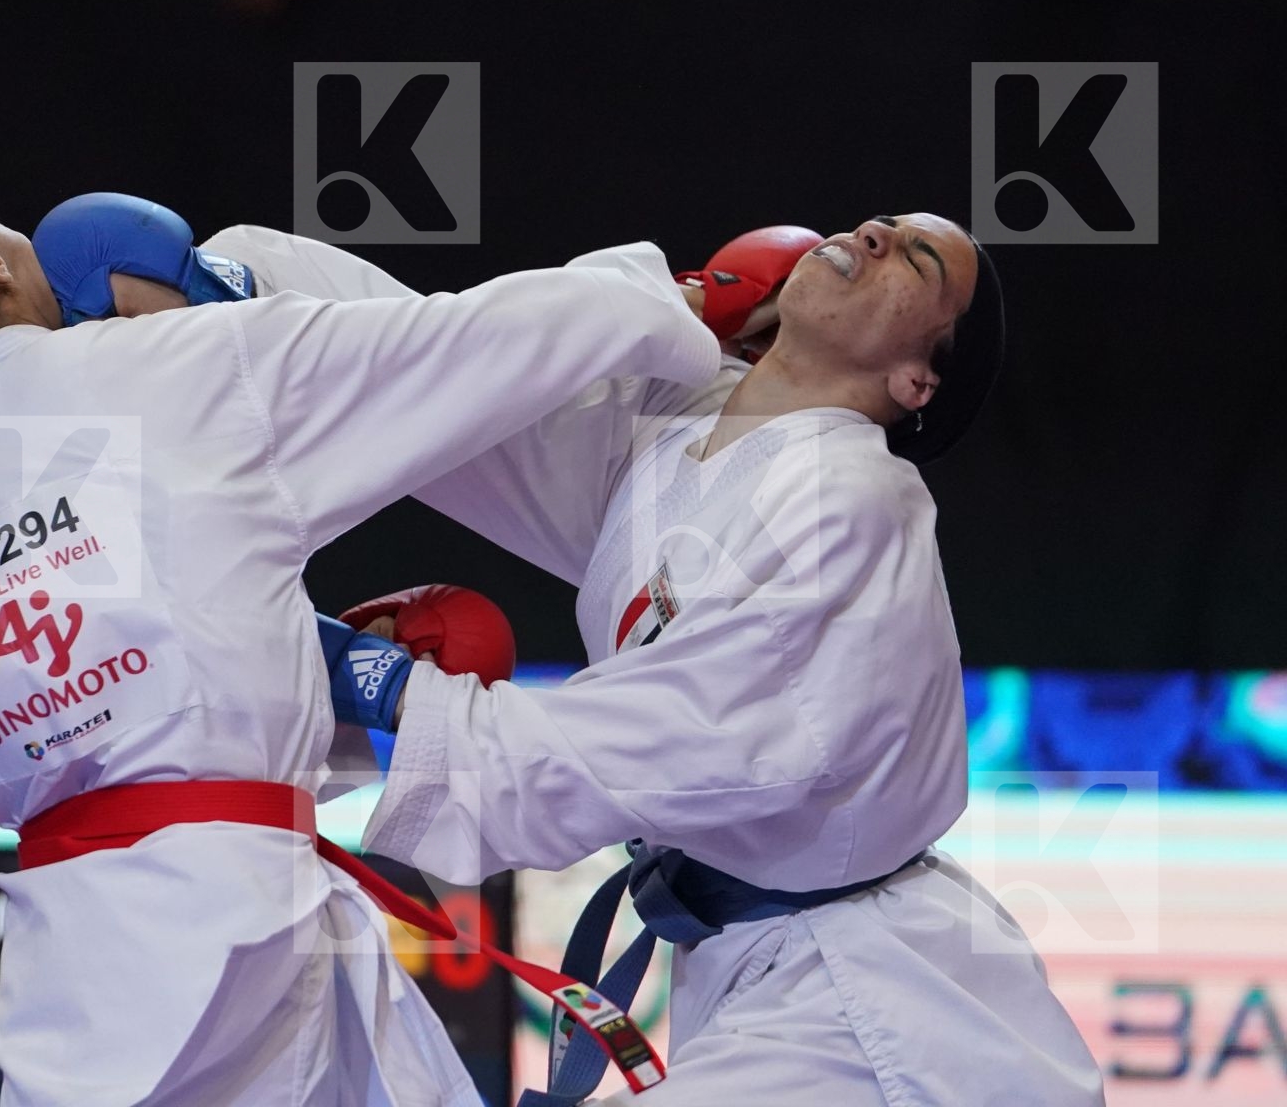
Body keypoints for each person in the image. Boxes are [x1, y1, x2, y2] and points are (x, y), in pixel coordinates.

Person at [0, 156, 722, 1107]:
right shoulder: (170, 363)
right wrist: (678, 300)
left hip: (74, 977)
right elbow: (483, 342)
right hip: (235, 945)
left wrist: (313, 670)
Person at [201, 215, 1106, 1105]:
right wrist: (238, 294)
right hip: (757, 974)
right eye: (881, 222)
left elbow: (679, 735)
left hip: (875, 1009)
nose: (872, 233)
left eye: (916, 258)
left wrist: (385, 689)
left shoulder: (856, 502)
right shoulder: (674, 436)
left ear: (917, 381)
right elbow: (464, 382)